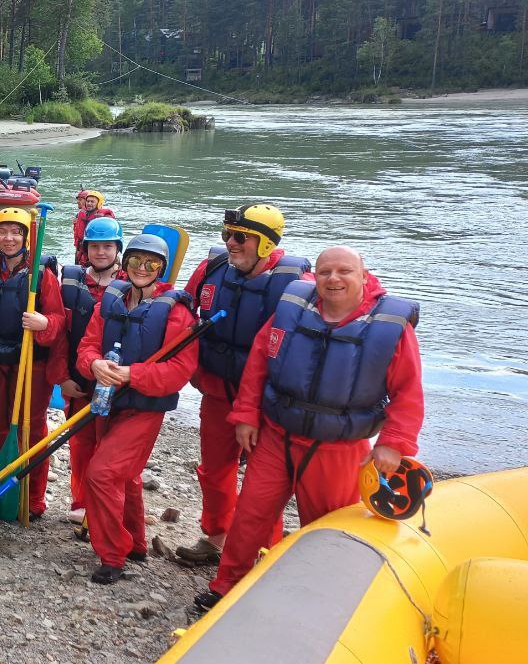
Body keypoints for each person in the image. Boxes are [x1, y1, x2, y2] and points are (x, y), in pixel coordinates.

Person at [194, 246, 424, 611]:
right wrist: (247, 415)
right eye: (325, 272)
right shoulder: (293, 308)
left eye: (344, 271)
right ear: (314, 276)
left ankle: (321, 601)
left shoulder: (390, 327)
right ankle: (228, 585)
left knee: (327, 526)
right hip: (277, 434)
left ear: (364, 276)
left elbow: (408, 391)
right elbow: (258, 363)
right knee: (251, 514)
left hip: (338, 446)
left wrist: (393, 443)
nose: (334, 279)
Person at [176, 203, 310, 567]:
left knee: (264, 483)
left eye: (240, 237)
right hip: (218, 390)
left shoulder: (297, 284)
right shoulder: (213, 269)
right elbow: (182, 316)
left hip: (268, 403)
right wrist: (191, 370)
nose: (230, 243)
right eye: (227, 235)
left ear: (265, 243)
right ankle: (216, 537)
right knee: (214, 469)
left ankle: (263, 553)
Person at [75, 234, 199, 583]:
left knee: (102, 474)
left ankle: (112, 554)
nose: (142, 268)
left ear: (162, 268)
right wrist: (94, 364)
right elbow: (87, 346)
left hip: (143, 409)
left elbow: (179, 372)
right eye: (135, 261)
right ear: (124, 263)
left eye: (151, 263)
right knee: (124, 475)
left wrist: (133, 374)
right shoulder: (111, 301)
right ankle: (136, 544)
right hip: (107, 403)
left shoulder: (176, 312)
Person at [0, 206, 65, 518]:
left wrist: (44, 323)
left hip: (31, 363)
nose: (9, 238)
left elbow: (58, 320)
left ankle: (34, 497)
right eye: (3, 232)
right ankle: (3, 485)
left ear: (26, 237)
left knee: (31, 430)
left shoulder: (42, 274)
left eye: (16, 232)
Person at [51, 215, 125, 524]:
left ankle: (111, 506)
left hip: (117, 382)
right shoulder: (71, 282)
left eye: (108, 246)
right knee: (81, 444)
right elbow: (60, 336)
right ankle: (81, 501)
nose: (101, 252)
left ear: (118, 249)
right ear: (85, 250)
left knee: (112, 448)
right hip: (79, 379)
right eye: (95, 246)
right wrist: (62, 379)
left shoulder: (133, 283)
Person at [72, 190, 115, 264]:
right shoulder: (81, 214)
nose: (89, 203)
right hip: (81, 249)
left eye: (92, 202)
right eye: (88, 201)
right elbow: (77, 233)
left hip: (94, 249)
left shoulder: (105, 217)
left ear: (98, 203)